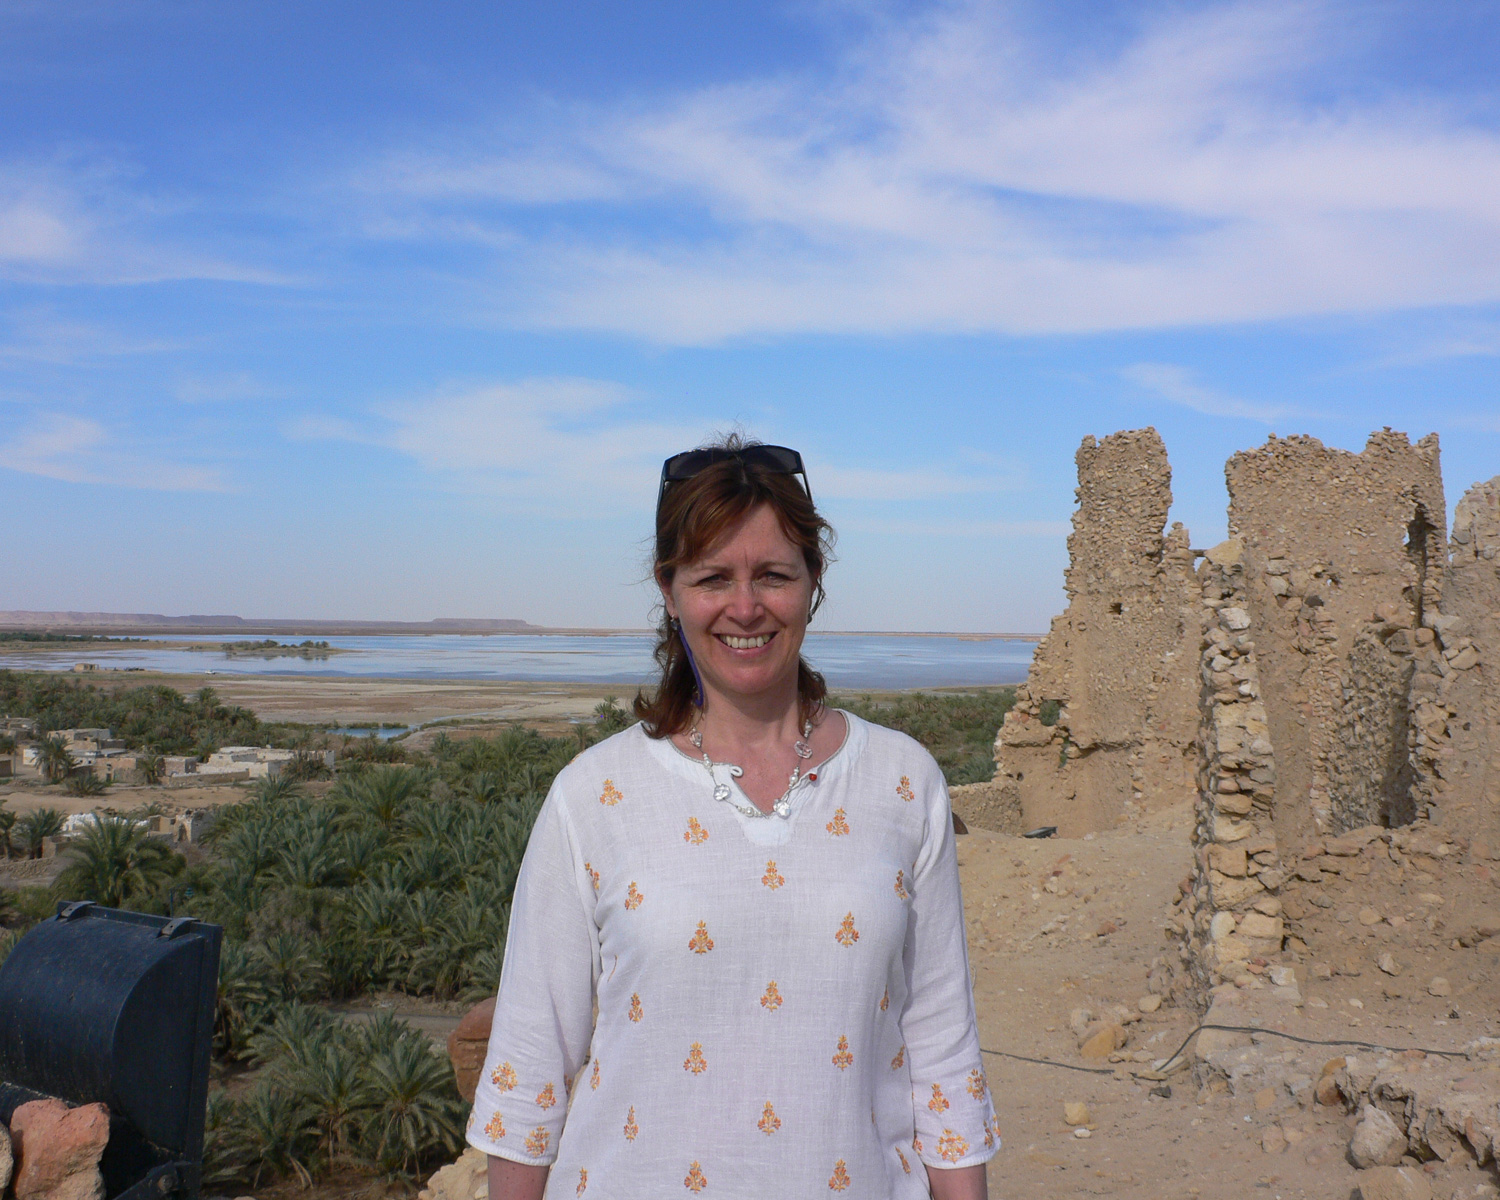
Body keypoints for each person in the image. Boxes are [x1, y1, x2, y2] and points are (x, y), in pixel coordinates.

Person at [470, 437, 997, 1199]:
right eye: (713, 577)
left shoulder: (902, 782)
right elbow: (530, 1067)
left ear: (813, 584)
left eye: (774, 576)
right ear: (671, 589)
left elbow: (943, 1050)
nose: (745, 607)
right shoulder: (593, 797)